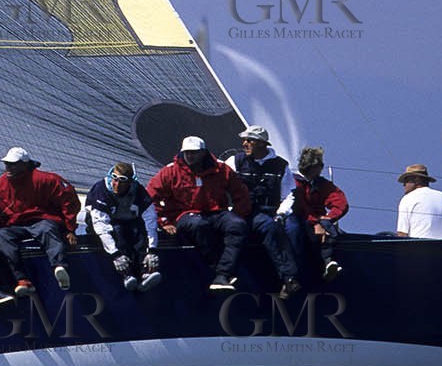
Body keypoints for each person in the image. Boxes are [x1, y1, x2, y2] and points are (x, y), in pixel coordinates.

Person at [0, 146, 80, 304]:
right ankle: (22, 280)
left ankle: (59, 266)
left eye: (13, 164)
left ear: (25, 165)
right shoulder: (1, 184)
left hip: (42, 220)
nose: (8, 167)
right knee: (1, 235)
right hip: (17, 226)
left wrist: (70, 229)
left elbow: (69, 200)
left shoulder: (46, 179)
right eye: (6, 164)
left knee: (46, 229)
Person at [146, 135, 251, 292]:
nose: (190, 156)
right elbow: (149, 198)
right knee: (199, 225)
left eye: (194, 152)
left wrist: (237, 213)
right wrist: (164, 221)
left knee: (237, 225)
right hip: (184, 214)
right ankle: (219, 270)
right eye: (187, 152)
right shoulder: (170, 171)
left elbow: (240, 193)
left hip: (216, 212)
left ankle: (223, 274)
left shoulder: (220, 169)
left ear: (203, 153)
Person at [223, 125, 300, 298]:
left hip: (269, 212)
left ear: (262, 144)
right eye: (243, 140)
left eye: (249, 140)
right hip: (242, 211)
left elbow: (289, 194)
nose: (244, 144)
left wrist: (281, 214)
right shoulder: (235, 162)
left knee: (278, 228)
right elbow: (218, 182)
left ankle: (290, 278)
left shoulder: (280, 165)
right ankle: (224, 276)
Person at [83, 163, 162, 292]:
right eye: (114, 178)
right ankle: (126, 273)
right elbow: (101, 226)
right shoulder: (101, 190)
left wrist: (152, 250)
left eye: (122, 181)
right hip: (102, 222)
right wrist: (115, 254)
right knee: (117, 231)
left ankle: (146, 271)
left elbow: (150, 221)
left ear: (130, 182)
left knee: (138, 232)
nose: (117, 184)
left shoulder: (139, 191)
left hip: (127, 219)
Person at [278, 146, 348, 282]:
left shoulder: (321, 184)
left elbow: (340, 202)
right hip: (297, 217)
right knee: (297, 229)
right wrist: (316, 222)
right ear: (313, 166)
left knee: (327, 227)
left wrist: (329, 217)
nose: (322, 168)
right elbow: (299, 206)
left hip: (317, 220)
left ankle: (328, 262)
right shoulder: (294, 182)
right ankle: (315, 264)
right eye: (320, 165)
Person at [395, 163, 442, 238]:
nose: (404, 185)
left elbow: (402, 234)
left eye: (406, 180)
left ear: (417, 179)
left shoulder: (408, 198)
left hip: (419, 246)